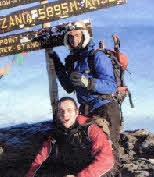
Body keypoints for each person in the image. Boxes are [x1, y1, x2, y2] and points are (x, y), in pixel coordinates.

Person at [49, 19, 122, 176]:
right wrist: (57, 64)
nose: (74, 39)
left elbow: (111, 86)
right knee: (88, 152)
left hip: (106, 108)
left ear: (84, 36)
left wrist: (88, 82)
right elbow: (69, 87)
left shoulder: (97, 56)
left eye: (77, 35)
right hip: (85, 111)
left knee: (109, 153)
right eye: (70, 37)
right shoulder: (72, 61)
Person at [26, 97, 114, 177]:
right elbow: (39, 160)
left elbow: (107, 159)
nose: (65, 114)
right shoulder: (55, 134)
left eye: (69, 110)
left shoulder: (91, 129)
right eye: (61, 111)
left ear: (76, 112)